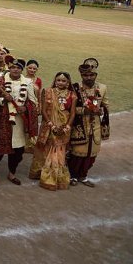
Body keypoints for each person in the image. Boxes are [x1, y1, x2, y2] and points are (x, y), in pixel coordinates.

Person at [0, 57, 38, 185]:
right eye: (13, 67)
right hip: (3, 119)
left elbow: (33, 102)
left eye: (18, 68)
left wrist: (25, 107)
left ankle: (12, 173)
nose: (15, 70)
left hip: (19, 121)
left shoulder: (28, 83)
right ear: (9, 68)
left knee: (18, 150)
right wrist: (3, 100)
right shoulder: (0, 81)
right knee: (0, 148)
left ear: (21, 70)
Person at [69, 59, 109, 187]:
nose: (89, 77)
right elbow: (69, 108)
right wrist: (84, 110)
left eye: (91, 75)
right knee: (77, 153)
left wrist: (101, 109)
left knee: (92, 153)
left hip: (96, 125)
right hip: (80, 125)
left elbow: (106, 105)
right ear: (81, 76)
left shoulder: (102, 88)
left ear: (95, 75)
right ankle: (73, 175)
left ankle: (83, 176)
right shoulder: (75, 88)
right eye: (86, 75)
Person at [33, 72, 76, 191]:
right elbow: (44, 110)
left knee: (59, 151)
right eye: (58, 80)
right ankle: (44, 175)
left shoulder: (72, 95)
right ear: (55, 81)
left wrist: (67, 127)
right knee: (46, 148)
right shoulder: (47, 92)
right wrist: (51, 125)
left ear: (68, 83)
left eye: (63, 81)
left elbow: (72, 113)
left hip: (63, 127)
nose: (60, 83)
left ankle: (55, 177)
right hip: (49, 126)